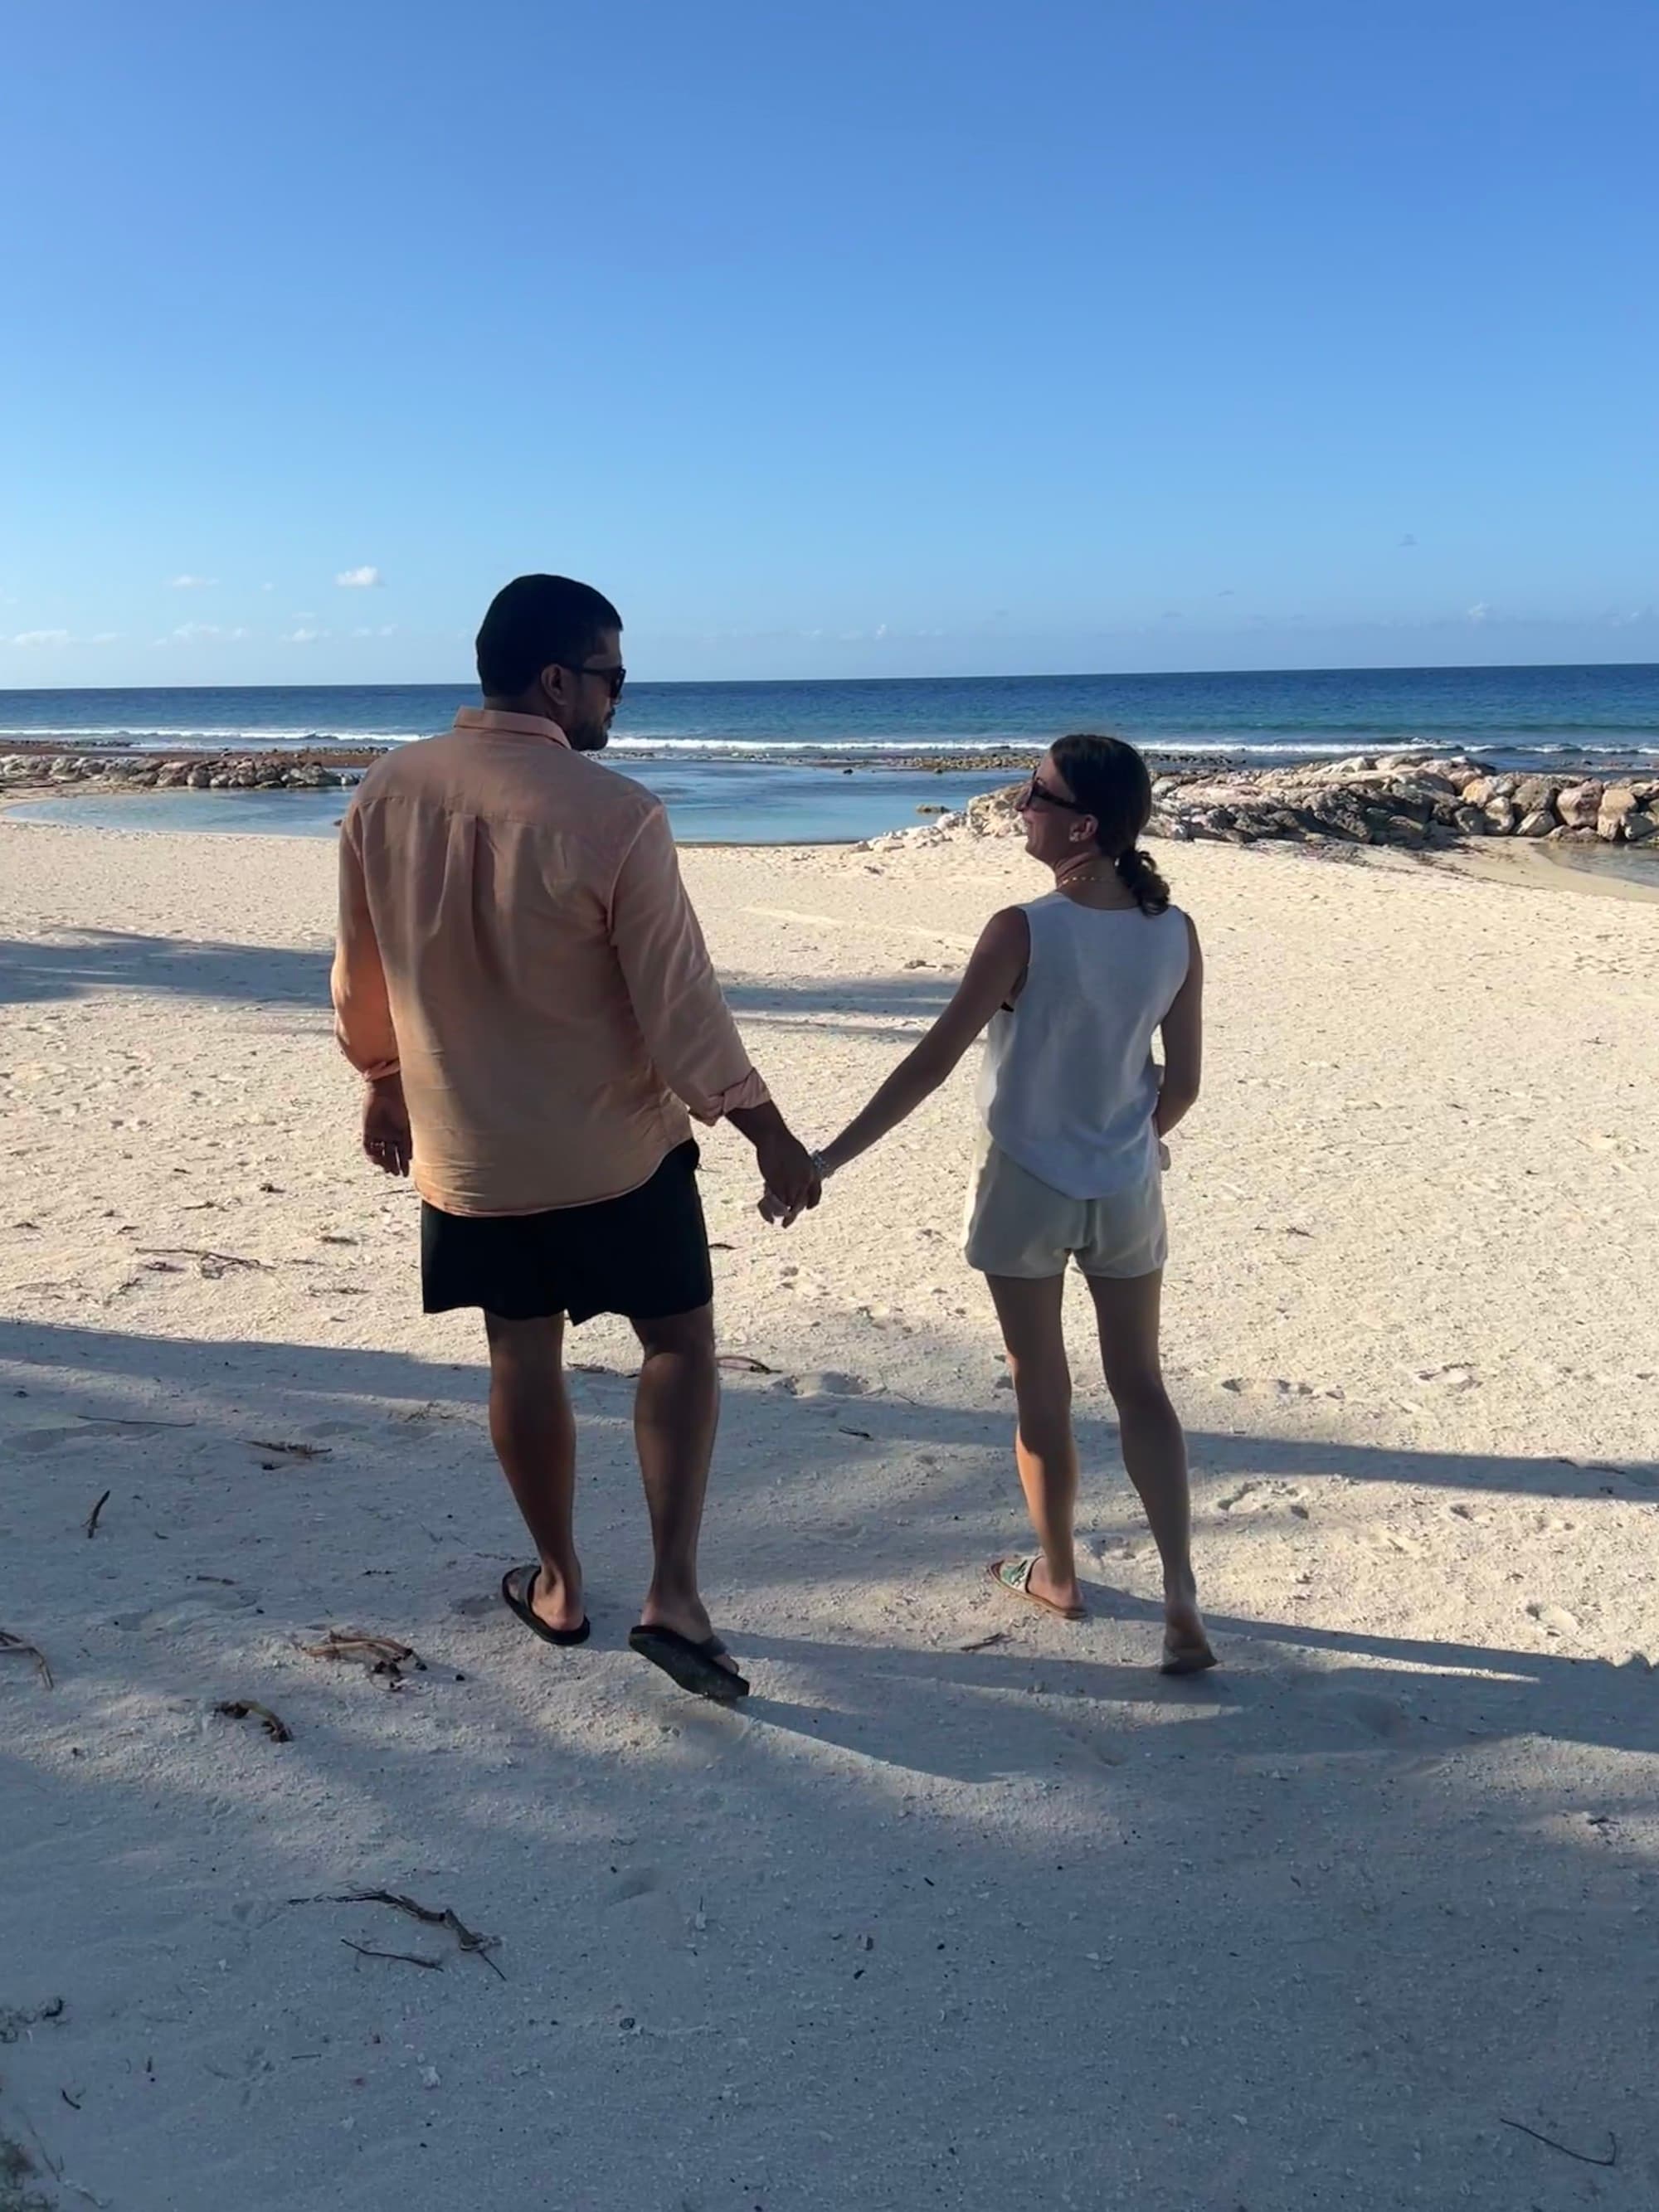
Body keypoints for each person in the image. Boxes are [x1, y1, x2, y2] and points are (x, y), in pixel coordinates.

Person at [332, 573, 820, 1704]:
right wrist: (769, 1130)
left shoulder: (386, 790)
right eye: (611, 673)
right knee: (679, 1345)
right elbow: (681, 1009)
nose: (620, 696)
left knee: (521, 1350)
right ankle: (675, 1594)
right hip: (616, 1156)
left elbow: (362, 971)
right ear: (556, 677)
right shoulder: (616, 815)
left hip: (474, 1155)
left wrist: (382, 1080)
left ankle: (558, 1582)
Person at [786, 735, 1214, 1673]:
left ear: (1082, 823)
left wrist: (827, 1158)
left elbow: (932, 1062)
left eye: (1036, 791)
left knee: (1040, 1386)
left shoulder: (1021, 927)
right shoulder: (1170, 929)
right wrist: (1138, 1140)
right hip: (1127, 1181)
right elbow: (1180, 1083)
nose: (1020, 802)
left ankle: (1057, 1574)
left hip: (1025, 1180)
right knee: (1140, 1386)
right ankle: (1180, 1600)